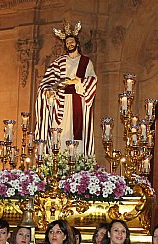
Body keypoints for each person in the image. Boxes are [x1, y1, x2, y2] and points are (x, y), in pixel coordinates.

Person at [34, 21, 97, 155]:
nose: (70, 44)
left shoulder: (86, 62)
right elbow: (47, 82)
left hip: (78, 102)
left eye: (72, 42)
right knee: (60, 133)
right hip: (60, 103)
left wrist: (76, 81)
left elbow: (92, 80)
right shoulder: (59, 62)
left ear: (77, 43)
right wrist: (49, 92)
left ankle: (79, 161)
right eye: (67, 43)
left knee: (77, 134)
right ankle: (58, 160)